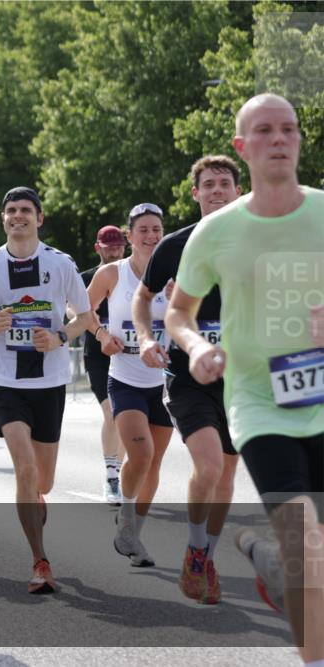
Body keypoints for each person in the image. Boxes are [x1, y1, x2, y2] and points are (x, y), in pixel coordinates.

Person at [167, 93, 323, 665]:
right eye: (264, 130)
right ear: (243, 146)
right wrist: (196, 346)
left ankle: (273, 561)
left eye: (289, 128)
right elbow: (177, 312)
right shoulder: (215, 232)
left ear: (299, 140)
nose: (279, 138)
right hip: (259, 403)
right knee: (307, 542)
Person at [0, 187, 93, 594]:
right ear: (3, 218)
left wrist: (59, 337)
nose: (17, 216)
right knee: (24, 469)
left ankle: (37, 498)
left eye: (25, 210)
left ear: (39, 217)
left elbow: (84, 316)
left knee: (43, 481)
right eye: (11, 210)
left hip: (49, 382)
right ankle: (40, 561)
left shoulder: (61, 263)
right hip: (7, 384)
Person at [132, 155, 243, 604]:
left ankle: (205, 557)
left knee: (228, 473)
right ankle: (197, 550)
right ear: (196, 193)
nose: (216, 191)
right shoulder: (175, 245)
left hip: (242, 378)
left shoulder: (259, 243)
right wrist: (145, 339)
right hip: (188, 373)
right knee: (210, 466)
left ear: (238, 191)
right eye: (208, 185)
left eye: (224, 183)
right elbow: (143, 298)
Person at [88, 203, 173, 568]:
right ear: (130, 235)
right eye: (144, 230)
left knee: (153, 465)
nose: (151, 236)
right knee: (141, 454)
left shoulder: (175, 274)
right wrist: (101, 334)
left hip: (164, 384)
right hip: (124, 379)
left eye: (157, 230)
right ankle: (125, 515)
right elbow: (81, 309)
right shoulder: (112, 273)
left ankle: (131, 533)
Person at [80, 226, 127, 503]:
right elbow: (75, 309)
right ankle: (111, 477)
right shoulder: (87, 278)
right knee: (111, 412)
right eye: (109, 247)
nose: (115, 251)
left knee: (125, 417)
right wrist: (100, 332)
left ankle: (117, 471)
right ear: (98, 248)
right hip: (98, 356)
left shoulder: (133, 274)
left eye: (119, 245)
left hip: (129, 354)